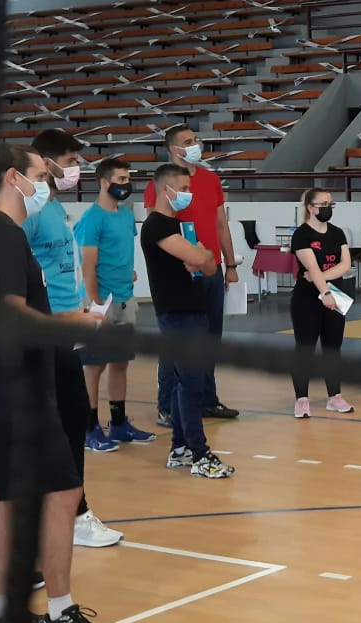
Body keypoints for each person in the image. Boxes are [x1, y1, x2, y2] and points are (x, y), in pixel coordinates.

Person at [0, 143, 112, 623]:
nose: (46, 185)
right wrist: (69, 324)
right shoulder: (3, 236)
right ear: (12, 178)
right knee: (62, 493)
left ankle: (0, 611)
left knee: (4, 497)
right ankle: (61, 613)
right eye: (40, 175)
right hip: (16, 388)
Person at [28, 129, 121, 549]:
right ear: (45, 163)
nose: (75, 169)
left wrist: (82, 310)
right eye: (68, 161)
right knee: (59, 425)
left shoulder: (53, 207)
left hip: (67, 327)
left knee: (69, 422)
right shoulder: (29, 214)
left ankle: (72, 512)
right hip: (45, 331)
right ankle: (72, 514)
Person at [141, 164, 238, 478]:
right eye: (182, 189)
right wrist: (200, 255)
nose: (187, 194)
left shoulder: (179, 225)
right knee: (191, 384)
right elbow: (200, 258)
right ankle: (200, 454)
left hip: (193, 308)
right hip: (176, 312)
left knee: (185, 383)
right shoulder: (157, 226)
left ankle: (180, 449)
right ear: (165, 189)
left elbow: (208, 266)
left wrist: (202, 256)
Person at [144, 124, 240, 425]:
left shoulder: (210, 180)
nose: (195, 144)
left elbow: (221, 224)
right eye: (188, 141)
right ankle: (168, 405)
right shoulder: (162, 185)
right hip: (181, 271)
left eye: (195, 139)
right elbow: (156, 227)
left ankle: (206, 399)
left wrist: (230, 265)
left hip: (211, 267)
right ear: (174, 148)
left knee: (210, 338)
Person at [75, 158, 155, 447]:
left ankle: (119, 424)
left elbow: (120, 252)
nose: (126, 184)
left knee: (120, 363)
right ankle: (89, 428)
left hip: (125, 298)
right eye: (121, 179)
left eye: (128, 179)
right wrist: (96, 305)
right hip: (101, 302)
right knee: (94, 366)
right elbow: (88, 267)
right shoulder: (91, 219)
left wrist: (126, 272)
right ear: (104, 182)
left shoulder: (125, 216)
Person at [289, 187, 355, 417]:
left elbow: (345, 264)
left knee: (333, 347)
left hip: (336, 294)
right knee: (305, 347)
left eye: (330, 204)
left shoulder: (337, 233)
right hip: (308, 298)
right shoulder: (302, 234)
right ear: (311, 207)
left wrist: (324, 281)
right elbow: (311, 267)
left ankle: (334, 396)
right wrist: (324, 292)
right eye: (323, 204)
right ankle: (302, 399)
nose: (328, 208)